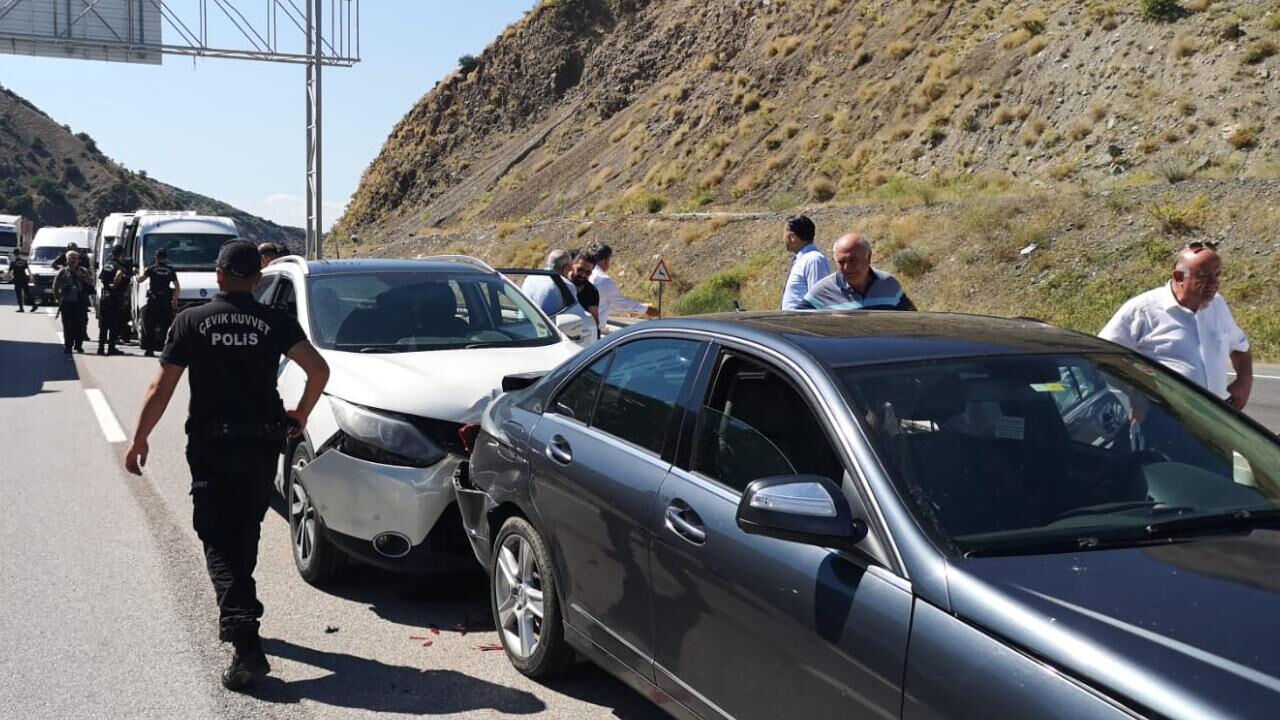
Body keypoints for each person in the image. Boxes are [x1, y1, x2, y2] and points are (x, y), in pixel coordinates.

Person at [124, 239, 330, 691]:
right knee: (245, 530)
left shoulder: (191, 320)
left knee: (217, 538)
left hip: (213, 445)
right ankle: (240, 613)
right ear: (257, 279)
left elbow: (161, 387)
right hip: (263, 443)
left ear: (218, 276)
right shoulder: (274, 319)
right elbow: (319, 371)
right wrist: (302, 413)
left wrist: (140, 438)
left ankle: (244, 642)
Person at [1100, 242, 1252, 409]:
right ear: (1179, 277)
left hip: (1215, 416)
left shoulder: (1217, 304)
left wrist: (1244, 380)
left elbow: (1240, 347)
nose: (1214, 282)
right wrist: (1134, 392)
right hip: (1166, 417)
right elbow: (1102, 355)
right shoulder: (1143, 310)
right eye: (1204, 275)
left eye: (1217, 275)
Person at [798, 233, 917, 311]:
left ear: (868, 257)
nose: (847, 267)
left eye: (853, 260)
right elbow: (795, 327)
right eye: (841, 262)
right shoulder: (822, 292)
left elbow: (912, 320)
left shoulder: (888, 284)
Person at [587, 243, 658, 334]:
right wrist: (646, 309)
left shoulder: (587, 273)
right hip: (594, 331)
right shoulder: (603, 280)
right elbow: (622, 304)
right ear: (606, 260)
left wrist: (636, 309)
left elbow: (603, 304)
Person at [780, 215, 831, 310]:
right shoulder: (803, 259)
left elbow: (819, 301)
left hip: (802, 324)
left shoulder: (814, 260)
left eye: (784, 234)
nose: (783, 239)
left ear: (792, 237)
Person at [138, 247, 180, 357]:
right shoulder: (170, 270)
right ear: (165, 258)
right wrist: (174, 299)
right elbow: (177, 286)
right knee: (166, 325)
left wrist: (135, 274)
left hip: (154, 300)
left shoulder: (152, 269)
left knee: (150, 325)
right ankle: (165, 350)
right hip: (165, 301)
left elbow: (140, 280)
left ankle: (150, 350)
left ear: (156, 257)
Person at [52, 250, 94, 353]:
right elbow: (55, 286)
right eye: (71, 258)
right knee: (68, 326)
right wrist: (57, 299)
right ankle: (68, 346)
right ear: (67, 260)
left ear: (78, 260)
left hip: (80, 303)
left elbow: (91, 282)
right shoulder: (62, 272)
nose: (73, 261)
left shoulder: (83, 271)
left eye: (75, 258)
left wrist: (82, 276)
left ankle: (78, 345)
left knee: (81, 325)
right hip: (67, 303)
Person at [96, 244, 130, 355]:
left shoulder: (107, 265)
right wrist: (115, 285)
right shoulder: (121, 267)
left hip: (105, 297)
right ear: (121, 254)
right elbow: (120, 279)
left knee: (104, 324)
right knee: (114, 324)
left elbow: (102, 279)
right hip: (116, 298)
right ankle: (111, 347)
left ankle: (100, 348)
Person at [522, 249, 575, 316]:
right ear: (566, 268)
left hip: (524, 324)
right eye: (571, 267)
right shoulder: (566, 286)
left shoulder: (530, 278)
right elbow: (575, 315)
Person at [569, 250, 600, 331]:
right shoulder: (560, 284)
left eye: (588, 272)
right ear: (571, 265)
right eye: (580, 270)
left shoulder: (592, 291)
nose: (583, 275)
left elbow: (594, 322)